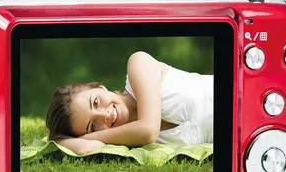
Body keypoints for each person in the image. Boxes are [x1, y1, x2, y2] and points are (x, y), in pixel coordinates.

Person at [46, 51, 213, 155]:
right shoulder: (128, 140)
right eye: (93, 125)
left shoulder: (138, 64)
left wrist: (89, 135)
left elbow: (148, 130)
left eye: (96, 102)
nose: (104, 115)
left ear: (100, 87)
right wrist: (63, 142)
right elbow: (86, 149)